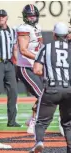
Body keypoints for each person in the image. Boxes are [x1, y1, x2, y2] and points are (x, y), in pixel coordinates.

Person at [29, 22, 71, 153]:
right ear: (66, 35)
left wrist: (50, 72)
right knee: (68, 123)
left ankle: (39, 141)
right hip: (69, 89)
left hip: (51, 88)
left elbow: (36, 70)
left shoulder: (46, 48)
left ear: (54, 34)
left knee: (41, 121)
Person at [16, 4, 45, 135]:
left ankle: (32, 118)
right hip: (25, 67)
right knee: (42, 95)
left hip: (37, 66)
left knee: (47, 94)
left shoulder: (38, 27)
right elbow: (23, 50)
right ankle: (34, 121)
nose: (32, 18)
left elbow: (41, 45)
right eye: (29, 16)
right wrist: (40, 58)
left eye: (34, 15)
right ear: (25, 17)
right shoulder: (24, 28)